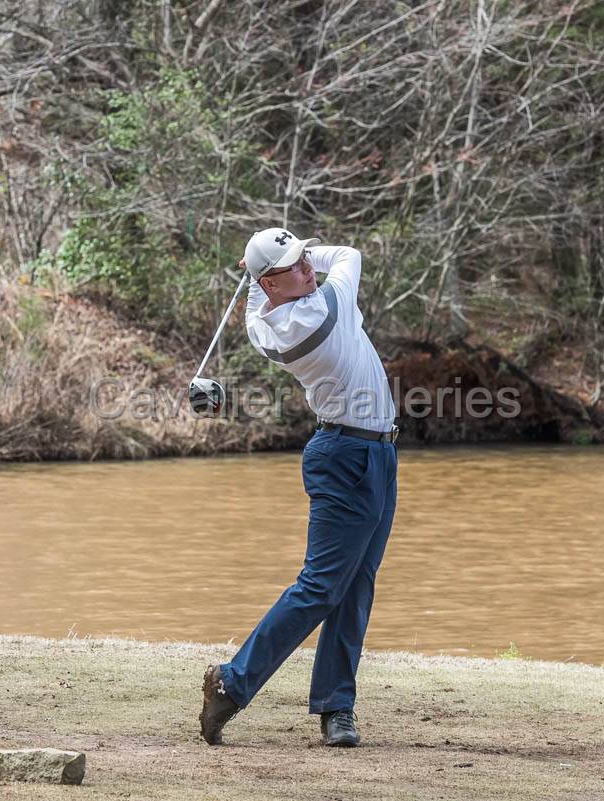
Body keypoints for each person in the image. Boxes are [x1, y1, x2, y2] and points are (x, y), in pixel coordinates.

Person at [199, 228, 399, 748]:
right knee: (321, 587)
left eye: (307, 259)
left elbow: (251, 311)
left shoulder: (267, 322)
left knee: (356, 585)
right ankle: (232, 681)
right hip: (348, 456)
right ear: (270, 283)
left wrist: (265, 272)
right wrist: (316, 243)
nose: (309, 267)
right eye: (294, 265)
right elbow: (350, 254)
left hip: (375, 451)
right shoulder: (322, 307)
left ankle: (336, 706)